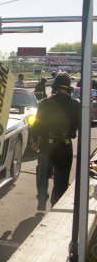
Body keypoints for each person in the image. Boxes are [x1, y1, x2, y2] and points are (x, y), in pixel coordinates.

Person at [32, 73, 81, 211]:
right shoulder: (75, 105)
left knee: (42, 174)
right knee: (62, 179)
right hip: (64, 146)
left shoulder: (45, 103)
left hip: (47, 145)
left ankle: (42, 199)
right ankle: (55, 206)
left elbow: (37, 124)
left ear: (54, 87)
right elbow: (79, 125)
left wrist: (35, 140)